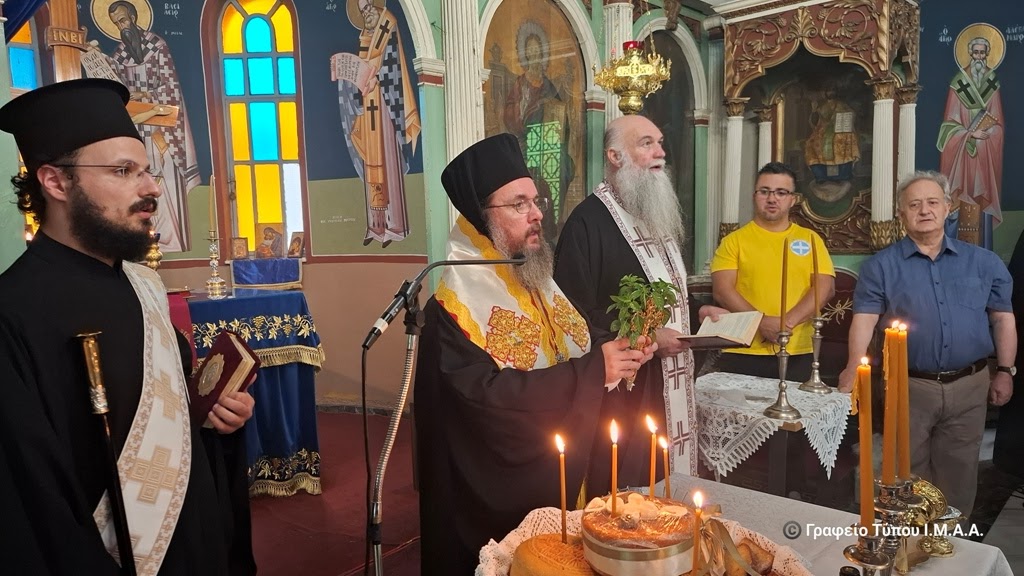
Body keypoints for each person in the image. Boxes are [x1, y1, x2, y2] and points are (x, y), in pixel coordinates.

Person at [0, 79, 256, 575]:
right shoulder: (12, 314)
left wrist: (214, 418)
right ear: (55, 183)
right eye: (123, 171)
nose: (152, 188)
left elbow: (169, 424)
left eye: (146, 170)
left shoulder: (144, 286)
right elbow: (28, 500)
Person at [414, 133, 656, 575]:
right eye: (519, 204)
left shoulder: (535, 275)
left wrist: (619, 346)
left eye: (536, 200)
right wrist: (593, 373)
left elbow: (570, 340)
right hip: (498, 498)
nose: (537, 213)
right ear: (481, 217)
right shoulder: (452, 309)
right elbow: (483, 400)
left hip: (567, 467)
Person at [554, 114, 727, 483]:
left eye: (659, 143)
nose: (660, 152)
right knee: (630, 489)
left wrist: (699, 312)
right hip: (626, 392)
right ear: (615, 156)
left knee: (667, 485)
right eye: (646, 143)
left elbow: (667, 293)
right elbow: (572, 314)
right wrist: (647, 336)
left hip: (670, 382)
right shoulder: (587, 223)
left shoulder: (655, 214)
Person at [838, 170, 1015, 519]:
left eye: (933, 202)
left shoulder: (984, 263)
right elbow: (865, 320)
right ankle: (911, 543)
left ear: (947, 207)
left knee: (960, 470)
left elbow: (1002, 319)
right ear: (901, 213)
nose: (924, 210)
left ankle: (951, 543)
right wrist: (852, 367)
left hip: (969, 385)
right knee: (906, 470)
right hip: (908, 386)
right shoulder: (880, 267)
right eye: (914, 204)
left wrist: (1006, 371)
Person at [711, 162, 835, 380]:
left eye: (781, 192)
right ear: (754, 196)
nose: (772, 199)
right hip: (743, 347)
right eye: (765, 191)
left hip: (797, 348)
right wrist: (760, 322)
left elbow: (825, 287)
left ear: (793, 199)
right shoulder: (733, 241)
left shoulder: (810, 239)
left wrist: (786, 324)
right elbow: (723, 290)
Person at [100, 0, 200, 252]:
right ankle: (144, 242)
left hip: (161, 130)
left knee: (165, 181)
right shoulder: (119, 55)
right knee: (140, 182)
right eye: (117, 23)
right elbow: (117, 89)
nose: (122, 27)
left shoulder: (157, 46)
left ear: (134, 18)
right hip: (137, 133)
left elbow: (170, 87)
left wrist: (145, 96)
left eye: (124, 20)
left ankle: (171, 242)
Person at [336, 0, 421, 247]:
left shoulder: (387, 25)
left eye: (369, 8)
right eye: (362, 11)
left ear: (376, 5)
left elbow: (394, 67)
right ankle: (376, 226)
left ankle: (396, 226)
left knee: (388, 164)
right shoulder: (365, 35)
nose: (366, 14)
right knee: (371, 167)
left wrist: (376, 79)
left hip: (386, 108)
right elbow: (363, 69)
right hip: (368, 109)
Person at [937, 34, 1004, 247]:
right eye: (975, 53)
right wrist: (968, 135)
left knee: (980, 204)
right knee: (959, 203)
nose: (979, 57)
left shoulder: (992, 83)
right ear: (969, 54)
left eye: (982, 53)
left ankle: (983, 248)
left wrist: (989, 134)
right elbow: (948, 125)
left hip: (983, 159)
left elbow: (998, 124)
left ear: (987, 55)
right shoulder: (958, 84)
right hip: (962, 159)